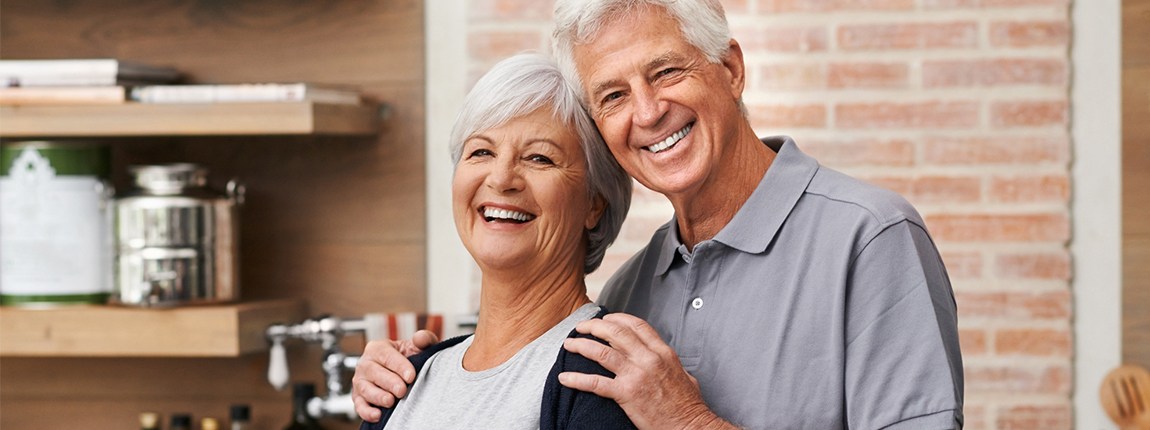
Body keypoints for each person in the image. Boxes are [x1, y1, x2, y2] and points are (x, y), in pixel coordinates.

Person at [355, 1, 964, 428]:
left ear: (729, 69)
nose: (646, 113)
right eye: (613, 95)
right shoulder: (629, 294)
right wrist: (416, 377)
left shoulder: (869, 238)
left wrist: (688, 423)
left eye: (666, 71)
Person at [357, 52, 636, 429]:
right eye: (481, 151)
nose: (502, 178)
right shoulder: (405, 378)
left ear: (594, 205)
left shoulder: (603, 377)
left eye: (539, 158)